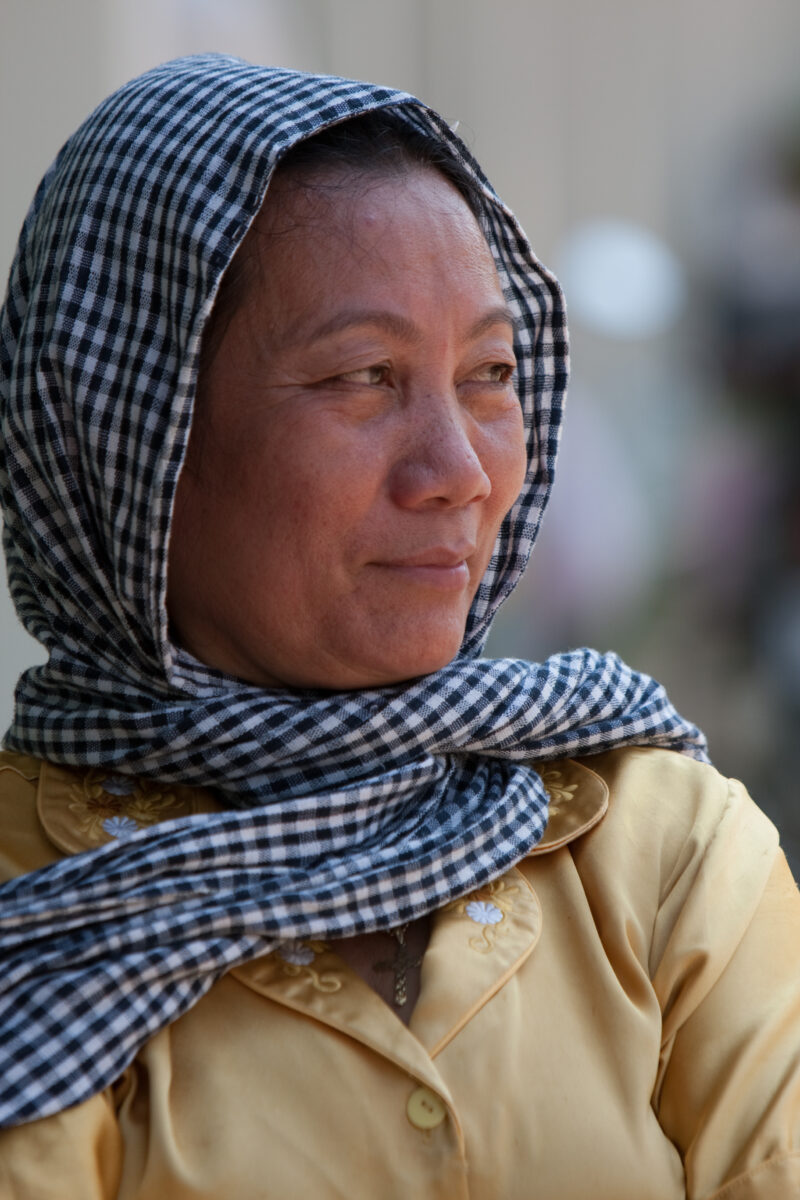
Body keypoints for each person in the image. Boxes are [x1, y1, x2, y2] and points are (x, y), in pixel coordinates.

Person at [0, 54, 798, 1200]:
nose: (460, 472)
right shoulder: (35, 908)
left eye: (487, 373)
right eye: (362, 377)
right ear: (130, 444)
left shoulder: (658, 850)